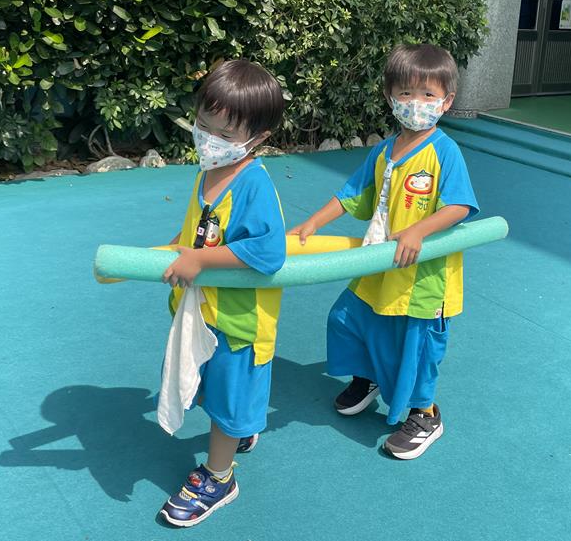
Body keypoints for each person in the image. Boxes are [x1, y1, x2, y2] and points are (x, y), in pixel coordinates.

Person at [289, 44, 478, 460]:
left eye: (428, 95)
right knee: (349, 319)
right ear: (391, 97)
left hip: (422, 278)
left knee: (416, 347)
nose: (416, 103)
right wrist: (314, 222)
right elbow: (352, 193)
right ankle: (368, 375)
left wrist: (418, 231)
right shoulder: (384, 150)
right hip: (379, 265)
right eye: (406, 93)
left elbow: (460, 206)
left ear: (446, 102)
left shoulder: (444, 151)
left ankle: (425, 414)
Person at [157, 59, 286, 526]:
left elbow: (268, 252)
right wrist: (173, 249)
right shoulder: (208, 173)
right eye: (203, 125)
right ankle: (237, 433)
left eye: (225, 135)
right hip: (205, 313)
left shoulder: (253, 184)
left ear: (258, 138)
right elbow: (198, 231)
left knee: (230, 397)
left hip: (238, 322)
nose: (209, 140)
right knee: (215, 388)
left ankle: (218, 476)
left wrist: (201, 260)